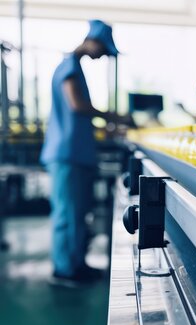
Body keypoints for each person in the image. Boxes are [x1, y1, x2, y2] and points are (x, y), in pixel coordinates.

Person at [41, 19, 127, 287]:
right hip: (67, 153)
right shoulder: (68, 66)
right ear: (93, 41)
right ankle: (65, 270)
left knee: (77, 213)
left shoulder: (75, 67)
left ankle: (76, 263)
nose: (101, 56)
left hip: (75, 152)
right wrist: (110, 115)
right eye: (102, 49)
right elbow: (77, 105)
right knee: (68, 214)